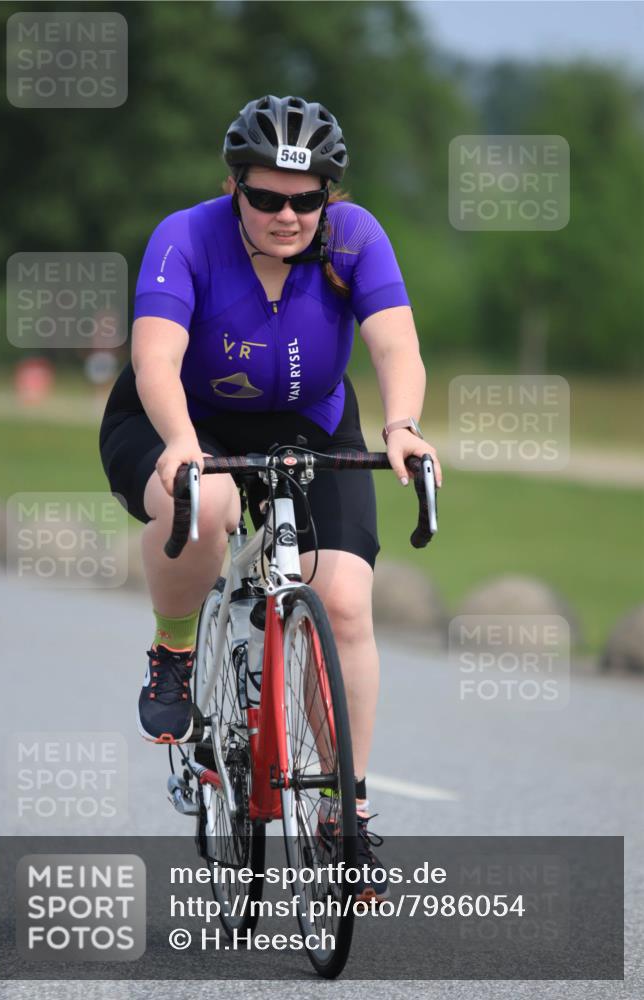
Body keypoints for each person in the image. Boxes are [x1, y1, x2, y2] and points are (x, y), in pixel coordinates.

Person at [99, 95, 442, 901]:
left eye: (306, 199)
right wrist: (183, 445)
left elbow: (396, 340)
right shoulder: (186, 237)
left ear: (329, 196)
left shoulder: (354, 238)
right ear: (233, 188)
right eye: (265, 198)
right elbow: (155, 360)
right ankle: (176, 651)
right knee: (209, 508)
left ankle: (341, 813)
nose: (287, 215)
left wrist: (402, 425)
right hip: (181, 413)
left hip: (312, 419)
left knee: (347, 602)